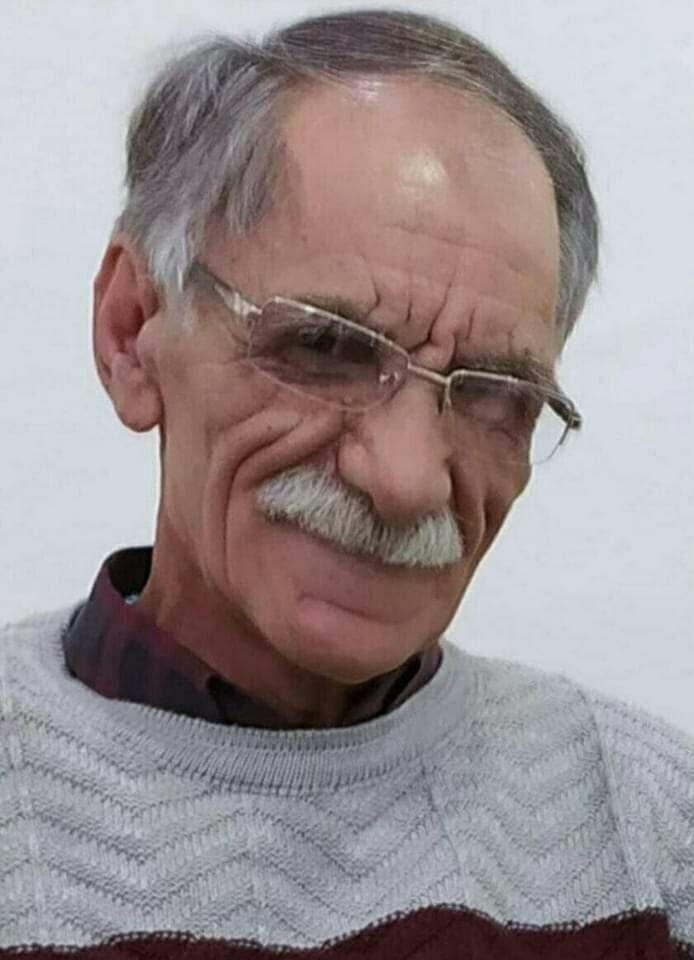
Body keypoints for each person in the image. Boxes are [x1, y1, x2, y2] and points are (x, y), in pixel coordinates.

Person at [0, 9, 691, 959]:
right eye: (327, 348)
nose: (407, 481)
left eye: (493, 393)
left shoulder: (646, 831)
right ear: (132, 332)